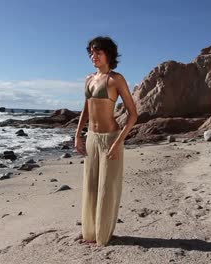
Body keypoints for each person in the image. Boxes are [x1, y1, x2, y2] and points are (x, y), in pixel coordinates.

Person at [75, 36, 138, 246]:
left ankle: (103, 236)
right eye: (91, 52)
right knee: (91, 187)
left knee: (106, 189)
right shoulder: (89, 79)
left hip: (111, 138)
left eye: (98, 52)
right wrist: (78, 134)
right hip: (92, 138)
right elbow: (86, 109)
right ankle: (90, 234)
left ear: (108, 54)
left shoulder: (115, 79)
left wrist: (119, 141)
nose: (93, 56)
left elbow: (133, 114)